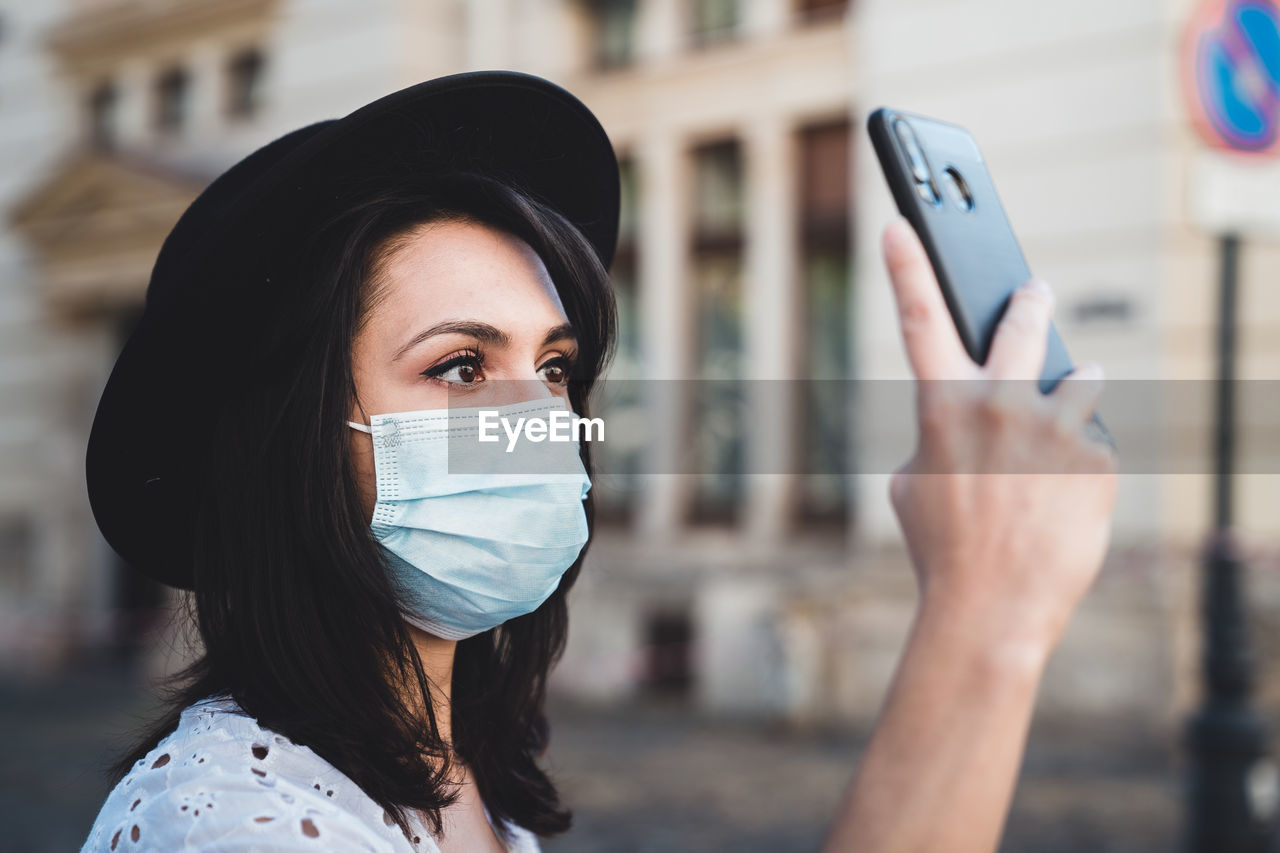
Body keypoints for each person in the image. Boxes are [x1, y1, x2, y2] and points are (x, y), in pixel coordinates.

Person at [78, 70, 1117, 852]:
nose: (535, 413)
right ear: (290, 438)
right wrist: (983, 617)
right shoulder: (230, 819)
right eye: (460, 364)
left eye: (556, 364)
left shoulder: (457, 775)